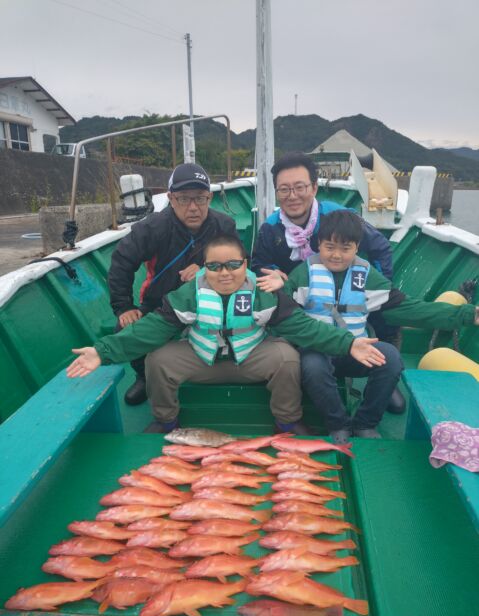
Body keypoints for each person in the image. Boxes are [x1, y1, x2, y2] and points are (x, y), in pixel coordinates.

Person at [68, 235, 387, 436]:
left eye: (233, 264)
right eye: (215, 266)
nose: (224, 273)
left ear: (245, 264)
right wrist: (101, 352)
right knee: (158, 359)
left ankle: (287, 422)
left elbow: (304, 328)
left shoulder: (264, 294)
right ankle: (166, 421)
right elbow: (149, 330)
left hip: (250, 359)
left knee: (288, 357)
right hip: (202, 359)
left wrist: (349, 343)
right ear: (204, 267)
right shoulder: (188, 295)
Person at [258, 210, 479, 443]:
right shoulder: (304, 274)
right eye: (329, 247)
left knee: (390, 358)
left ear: (357, 247)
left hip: (358, 351)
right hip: (318, 351)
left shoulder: (366, 275)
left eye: (345, 248)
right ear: (319, 244)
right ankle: (338, 424)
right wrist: (280, 286)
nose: (336, 255)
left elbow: (411, 309)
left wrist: (467, 314)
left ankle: (365, 423)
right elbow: (284, 312)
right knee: (312, 366)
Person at [251, 150, 405, 414]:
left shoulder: (339, 216)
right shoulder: (270, 228)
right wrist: (278, 276)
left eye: (300, 187)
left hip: (346, 291)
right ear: (277, 193)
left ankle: (382, 371)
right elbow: (259, 266)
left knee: (386, 306)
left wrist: (376, 289)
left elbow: (380, 248)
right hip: (302, 299)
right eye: (284, 189)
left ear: (314, 187)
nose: (292, 195)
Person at [108, 162, 239, 406]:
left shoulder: (224, 226)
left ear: (209, 198)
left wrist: (207, 270)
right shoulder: (152, 227)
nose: (193, 207)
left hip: (211, 303)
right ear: (170, 198)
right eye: (183, 199)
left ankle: (220, 370)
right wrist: (124, 307)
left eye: (200, 198)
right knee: (124, 327)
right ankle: (144, 376)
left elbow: (240, 266)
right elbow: (121, 261)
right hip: (160, 304)